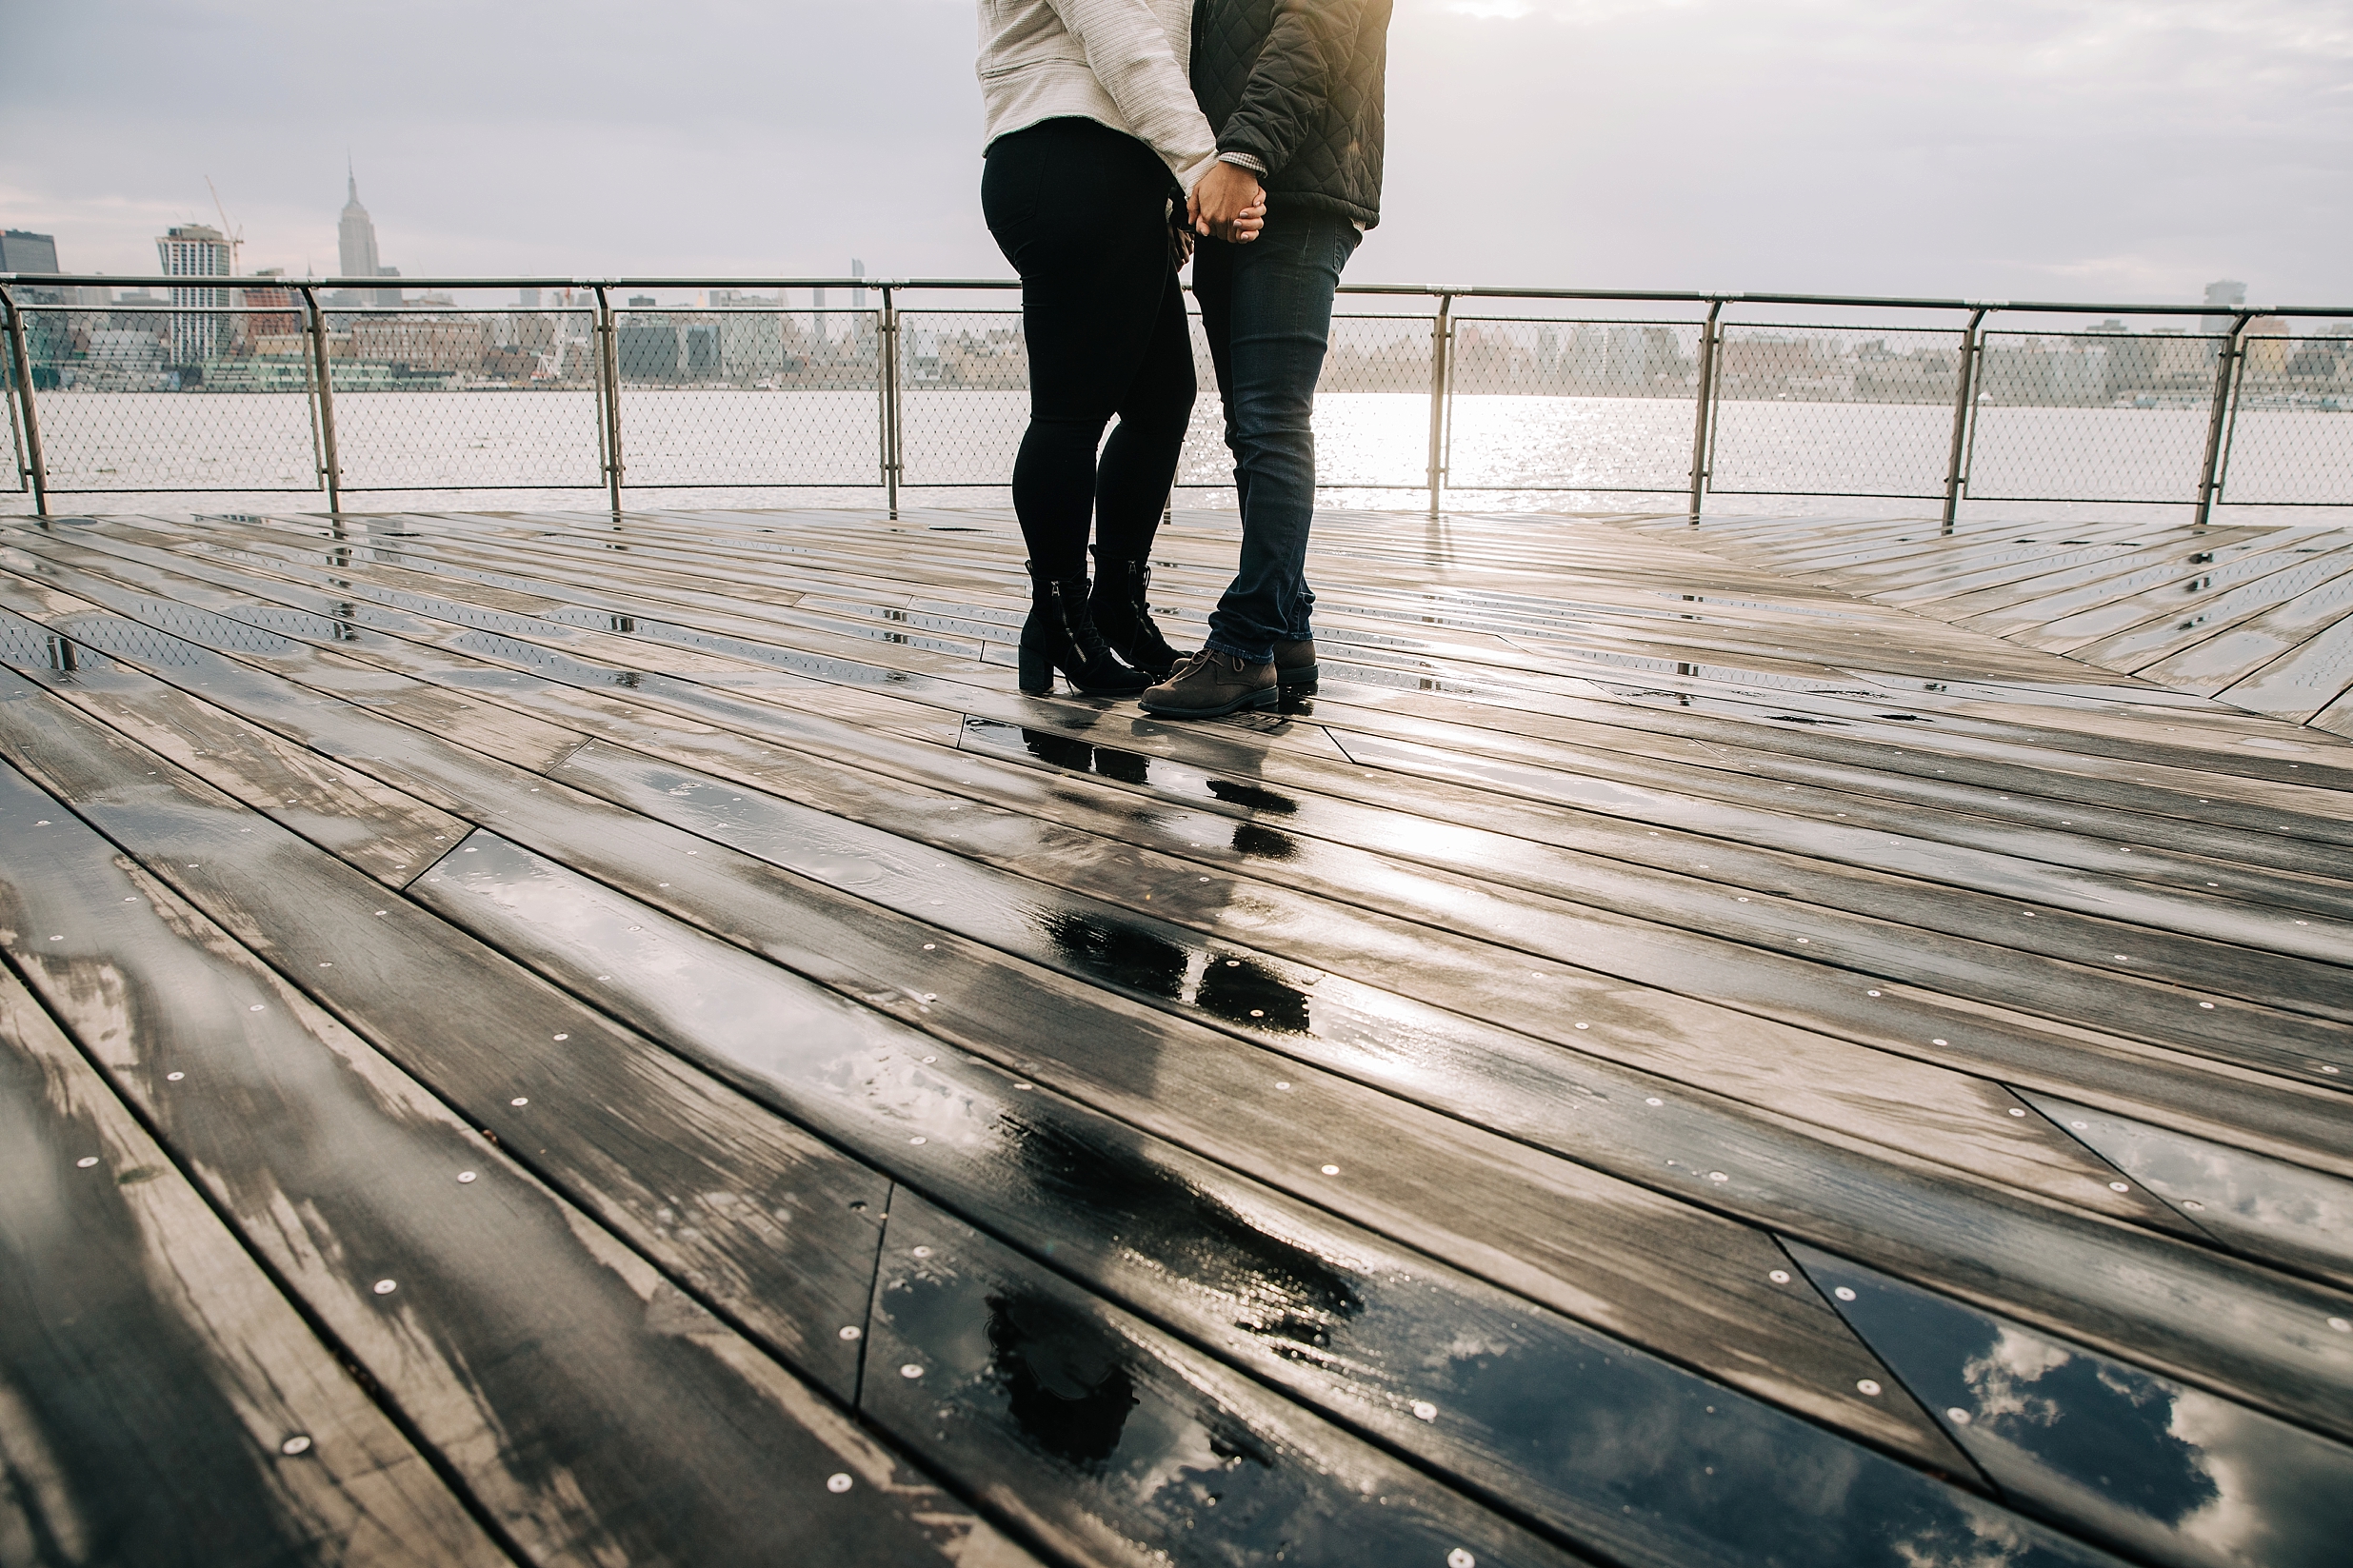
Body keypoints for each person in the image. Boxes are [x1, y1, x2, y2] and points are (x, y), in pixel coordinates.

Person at [976, 0, 1266, 696]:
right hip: (1072, 151)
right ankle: (1065, 621)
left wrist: (1166, 189)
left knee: (1162, 398)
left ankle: (1106, 606)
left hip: (1105, 161)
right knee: (1070, 413)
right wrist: (1201, 166)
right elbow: (1119, 30)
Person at [1140, 0, 1391, 718]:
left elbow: (1314, 27)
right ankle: (1287, 633)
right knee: (1252, 432)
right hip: (1233, 196)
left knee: (1272, 423)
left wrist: (1245, 157)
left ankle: (1245, 645)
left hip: (1287, 187)